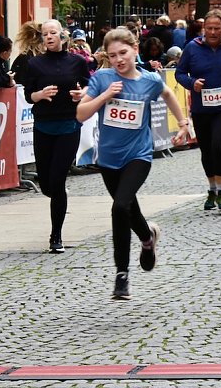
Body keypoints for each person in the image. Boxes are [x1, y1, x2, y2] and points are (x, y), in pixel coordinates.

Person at [76, 27, 189, 300]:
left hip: (138, 155)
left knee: (119, 207)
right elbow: (81, 114)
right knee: (128, 209)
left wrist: (184, 123)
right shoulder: (102, 78)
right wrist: (105, 96)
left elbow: (169, 94)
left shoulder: (148, 80)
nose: (119, 60)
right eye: (113, 55)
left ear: (135, 49)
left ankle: (121, 275)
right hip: (109, 159)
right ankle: (148, 238)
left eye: (123, 53)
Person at [24, 19, 90, 253]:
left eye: (53, 33)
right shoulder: (34, 64)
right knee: (47, 184)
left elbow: (89, 87)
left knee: (58, 180)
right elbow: (27, 95)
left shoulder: (77, 62)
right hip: (43, 125)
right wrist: (40, 94)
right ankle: (56, 195)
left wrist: (80, 94)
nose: (49, 37)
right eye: (45, 34)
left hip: (69, 125)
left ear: (62, 36)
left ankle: (56, 236)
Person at [175, 9, 221, 211]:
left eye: (217, 28)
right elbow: (179, 73)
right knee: (206, 150)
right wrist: (192, 83)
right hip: (201, 107)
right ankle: (212, 190)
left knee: (218, 145)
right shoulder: (192, 48)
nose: (213, 32)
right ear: (203, 28)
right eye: (209, 28)